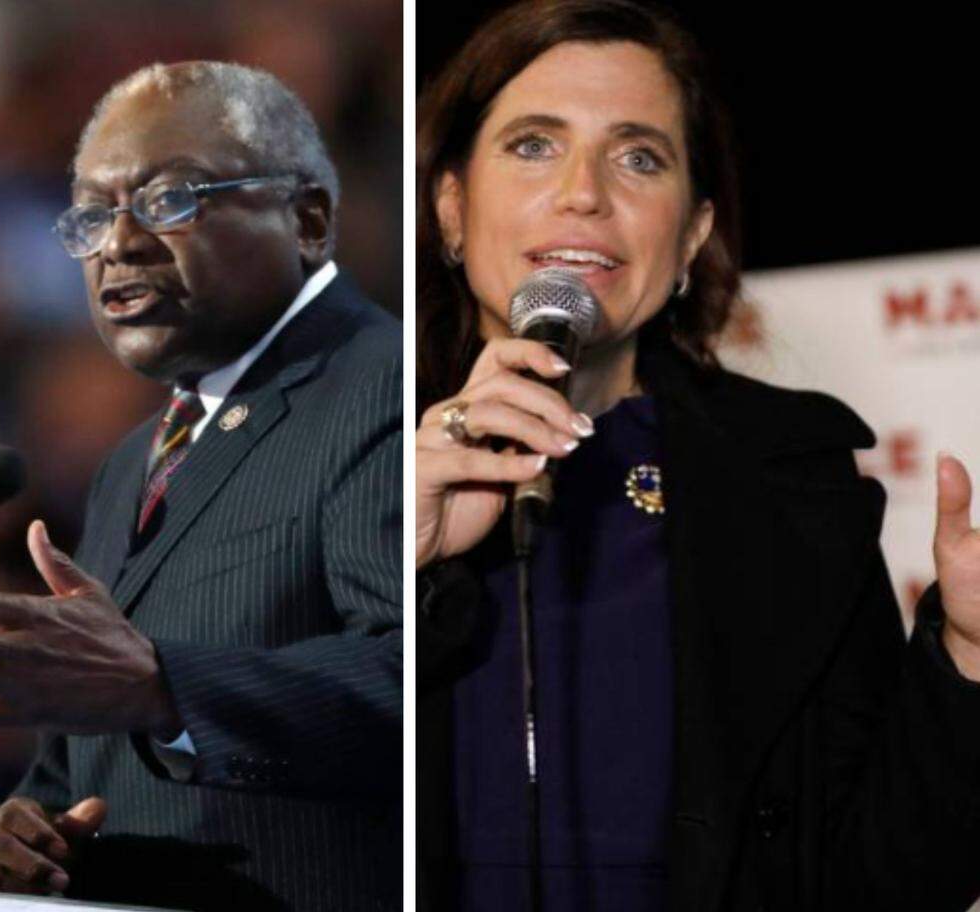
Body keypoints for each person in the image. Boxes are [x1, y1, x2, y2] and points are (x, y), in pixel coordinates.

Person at [416, 2, 980, 910]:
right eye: (532, 145)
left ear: (689, 237)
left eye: (640, 156)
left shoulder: (796, 480)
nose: (584, 192)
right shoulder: (354, 455)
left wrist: (970, 652)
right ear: (450, 207)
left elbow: (887, 882)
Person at [0, 61, 402, 912]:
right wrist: (25, 832)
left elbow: (421, 691)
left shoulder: (390, 390)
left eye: (172, 200)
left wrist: (163, 686)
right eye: (91, 214)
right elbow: (97, 731)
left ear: (306, 220)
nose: (117, 244)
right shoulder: (134, 460)